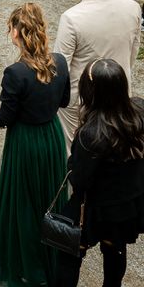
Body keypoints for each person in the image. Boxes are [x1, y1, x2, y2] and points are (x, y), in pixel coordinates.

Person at [0, 3, 70, 286]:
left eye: (10, 28)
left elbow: (3, 119)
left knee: (24, 202)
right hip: (51, 137)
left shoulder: (15, 72)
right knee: (49, 197)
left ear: (17, 33)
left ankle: (27, 262)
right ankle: (53, 253)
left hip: (25, 142)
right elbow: (64, 102)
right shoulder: (59, 60)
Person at [56, 59, 144, 287]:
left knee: (69, 255)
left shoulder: (91, 134)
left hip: (93, 207)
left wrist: (74, 154)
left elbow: (79, 179)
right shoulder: (139, 110)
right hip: (126, 204)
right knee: (115, 251)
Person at [54, 0, 140, 150]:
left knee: (73, 147)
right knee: (117, 142)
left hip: (83, 96)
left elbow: (61, 64)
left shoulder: (71, 17)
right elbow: (133, 51)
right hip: (119, 87)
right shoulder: (132, 8)